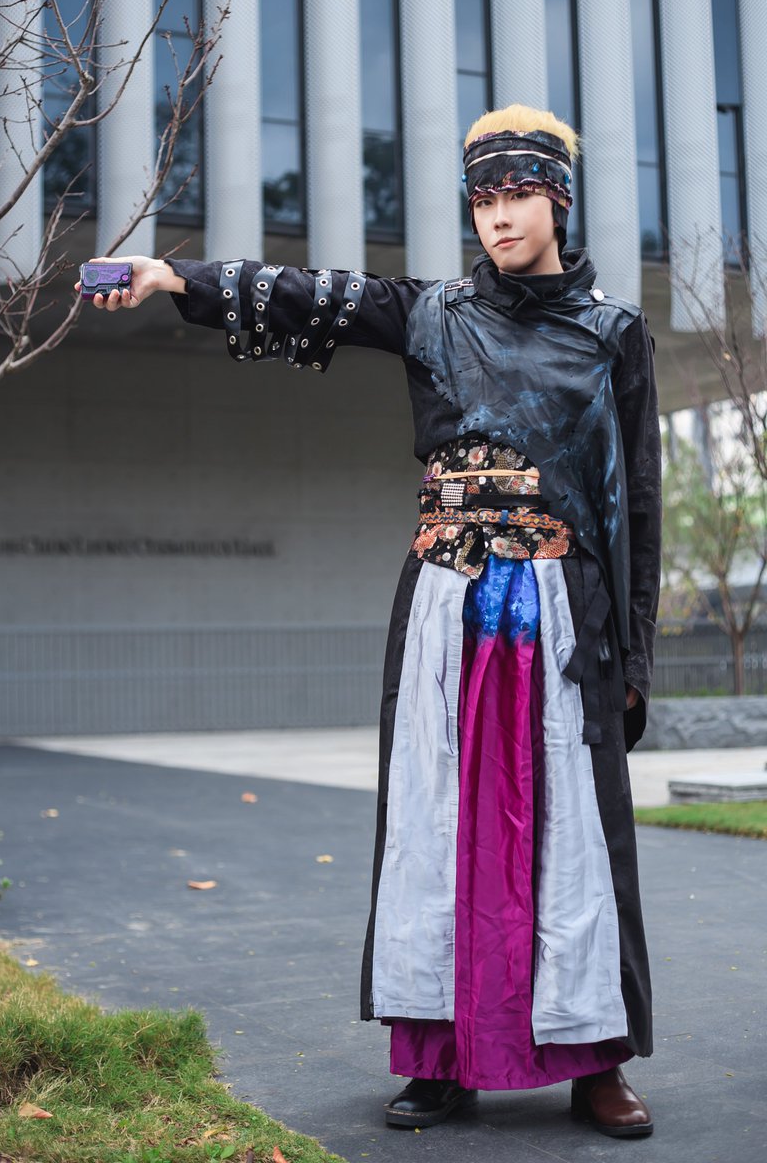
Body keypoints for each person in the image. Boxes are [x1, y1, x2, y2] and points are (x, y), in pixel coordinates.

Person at [80, 103, 661, 1139]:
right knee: (433, 830)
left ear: (559, 200)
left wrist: (635, 659)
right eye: (481, 199)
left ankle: (593, 1061)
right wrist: (172, 277)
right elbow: (308, 293)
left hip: (560, 617)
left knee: (571, 834)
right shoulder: (430, 312)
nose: (498, 217)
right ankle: (438, 1056)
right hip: (445, 608)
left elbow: (638, 505)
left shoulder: (612, 333)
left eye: (518, 194)